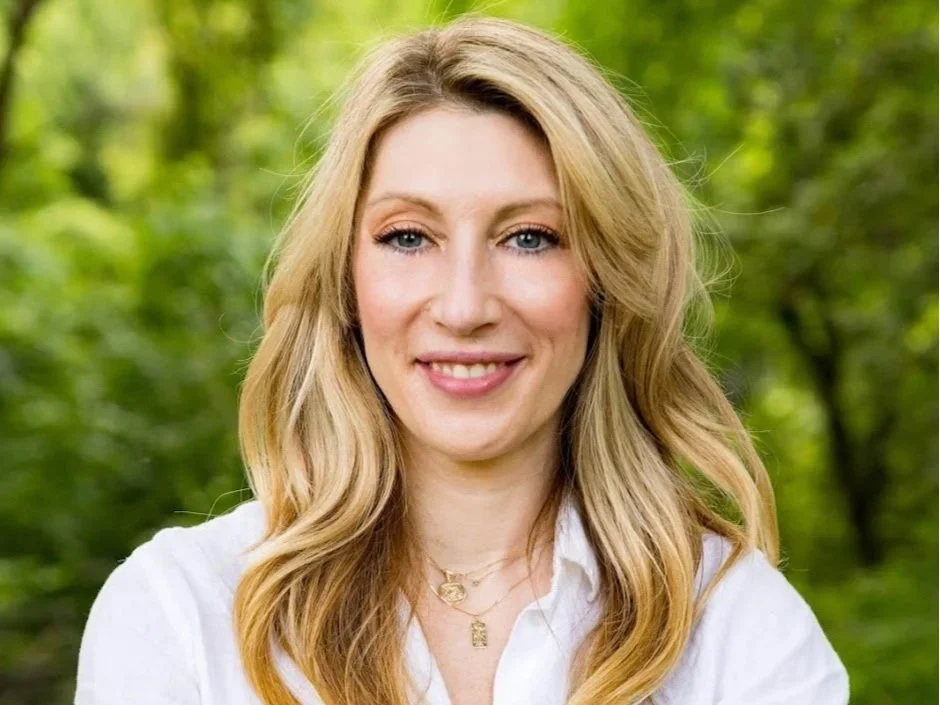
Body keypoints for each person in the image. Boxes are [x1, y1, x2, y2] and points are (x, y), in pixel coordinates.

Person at [74, 15, 850, 705]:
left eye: (530, 237)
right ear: (346, 279)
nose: (465, 304)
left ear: (605, 282)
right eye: (409, 236)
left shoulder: (738, 629)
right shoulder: (180, 613)